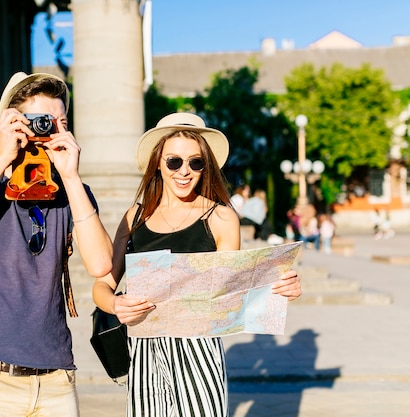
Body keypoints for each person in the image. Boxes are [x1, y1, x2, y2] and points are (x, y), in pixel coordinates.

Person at [92, 113, 302, 417]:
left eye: (196, 162)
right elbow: (102, 285)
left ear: (206, 167)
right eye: (174, 161)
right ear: (158, 164)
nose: (185, 171)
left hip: (199, 350)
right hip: (143, 351)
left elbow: (232, 289)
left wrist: (278, 286)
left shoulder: (221, 217)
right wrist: (114, 304)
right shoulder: (135, 217)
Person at [0, 71, 113, 417]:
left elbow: (101, 265)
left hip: (56, 380)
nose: (50, 131)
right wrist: (2, 158)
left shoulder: (73, 194)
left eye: (61, 122)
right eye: (41, 121)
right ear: (11, 122)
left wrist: (71, 178)